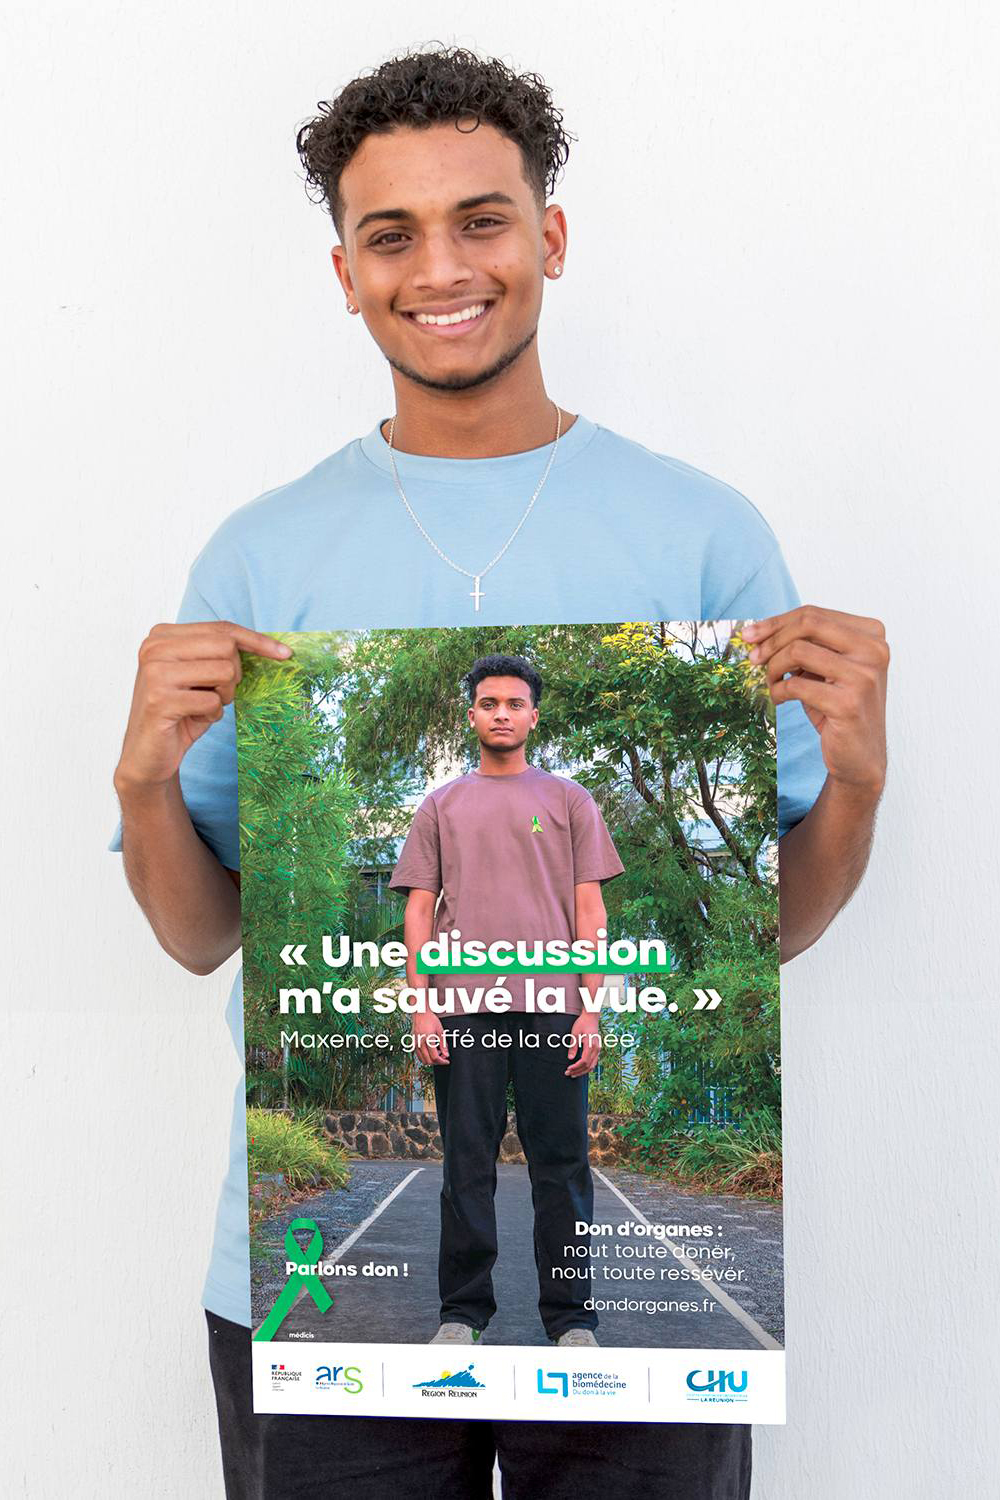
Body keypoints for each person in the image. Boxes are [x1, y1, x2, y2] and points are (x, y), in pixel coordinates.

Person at [109, 43, 889, 1500]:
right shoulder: (259, 556)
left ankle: (571, 1295)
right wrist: (145, 781)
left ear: (551, 239)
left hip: (634, 1339)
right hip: (305, 1312)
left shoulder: (701, 535)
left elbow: (769, 930)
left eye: (482, 219)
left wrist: (856, 786)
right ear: (343, 269)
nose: (440, 267)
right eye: (390, 233)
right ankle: (466, 1295)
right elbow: (207, 932)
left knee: (566, 1180)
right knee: (470, 1179)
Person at [388, 653, 625, 1349]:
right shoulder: (441, 806)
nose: (500, 712)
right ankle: (462, 1314)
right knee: (467, 1165)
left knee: (563, 1168)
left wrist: (592, 1007)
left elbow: (590, 908)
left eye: (513, 703)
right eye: (488, 702)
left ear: (532, 717)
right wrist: (422, 1006)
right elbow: (419, 911)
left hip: (554, 1006)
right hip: (464, 1006)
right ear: (472, 717)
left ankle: (572, 1319)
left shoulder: (571, 801)